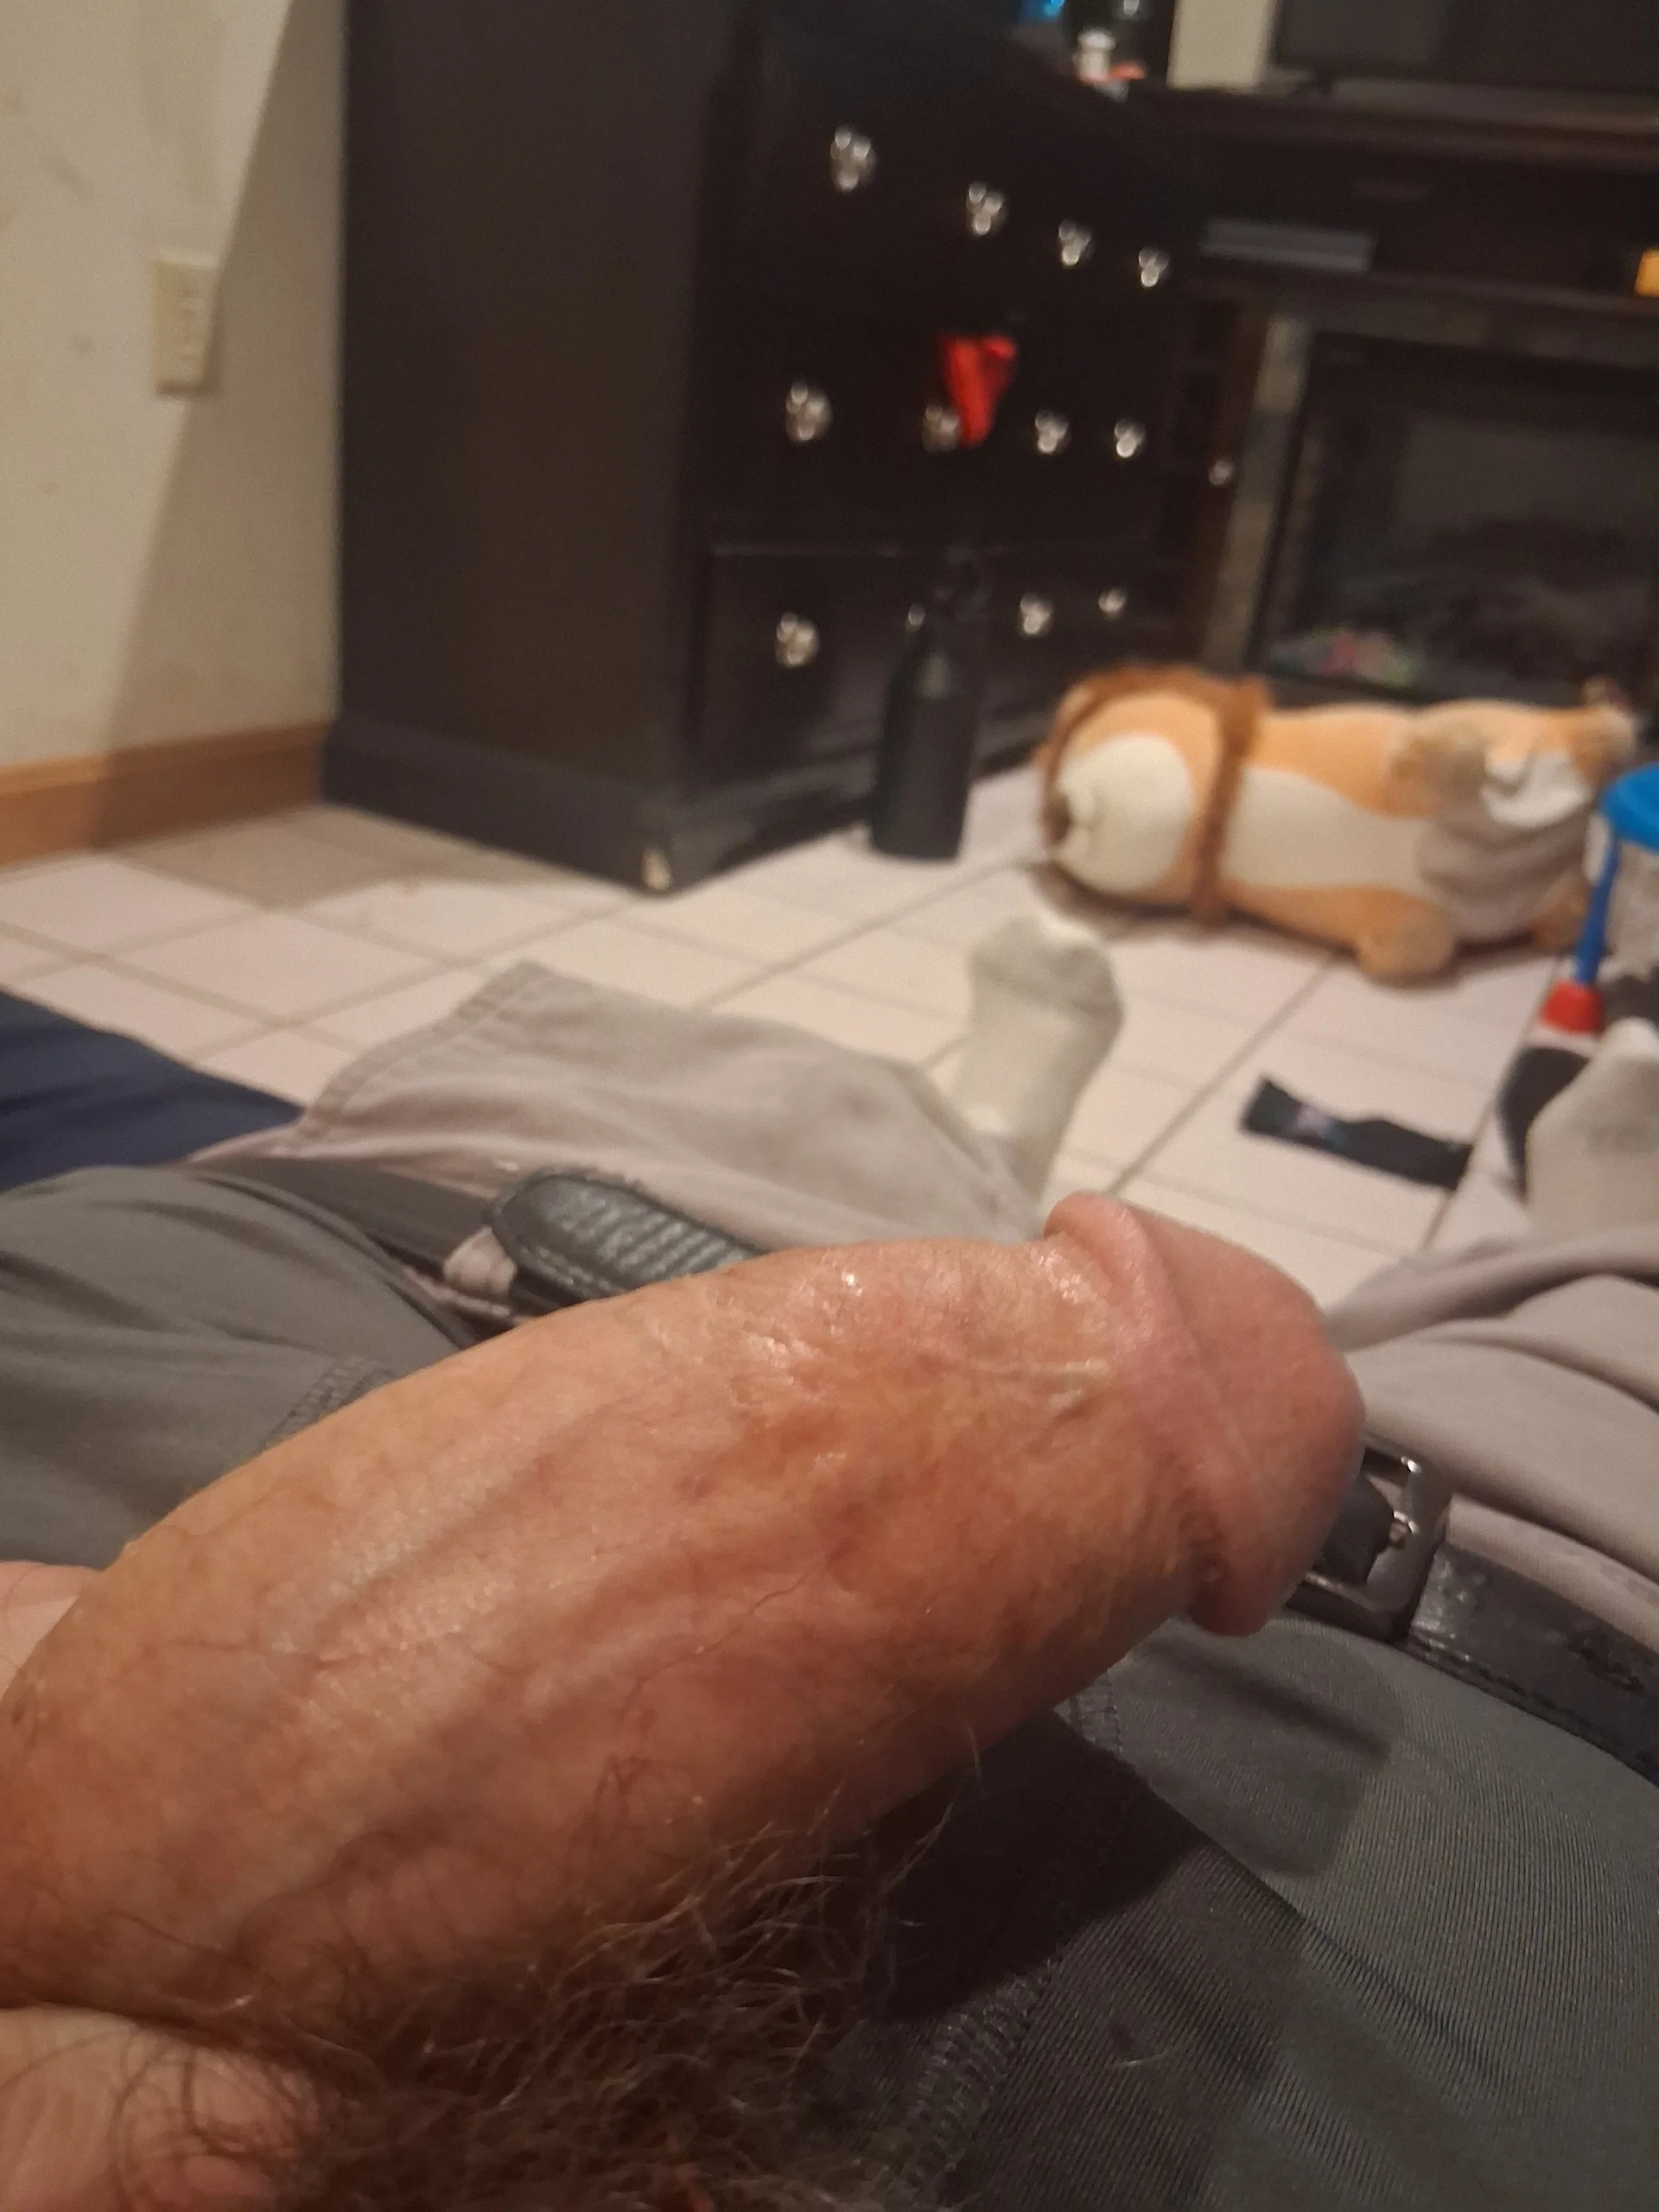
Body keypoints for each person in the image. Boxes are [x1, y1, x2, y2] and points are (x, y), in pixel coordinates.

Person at [0, 960, 1654, 2212]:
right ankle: (1603, 1153)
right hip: (1524, 1627)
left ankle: (979, 1149)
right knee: (1605, 1285)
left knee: (755, 1084)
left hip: (315, 1239)